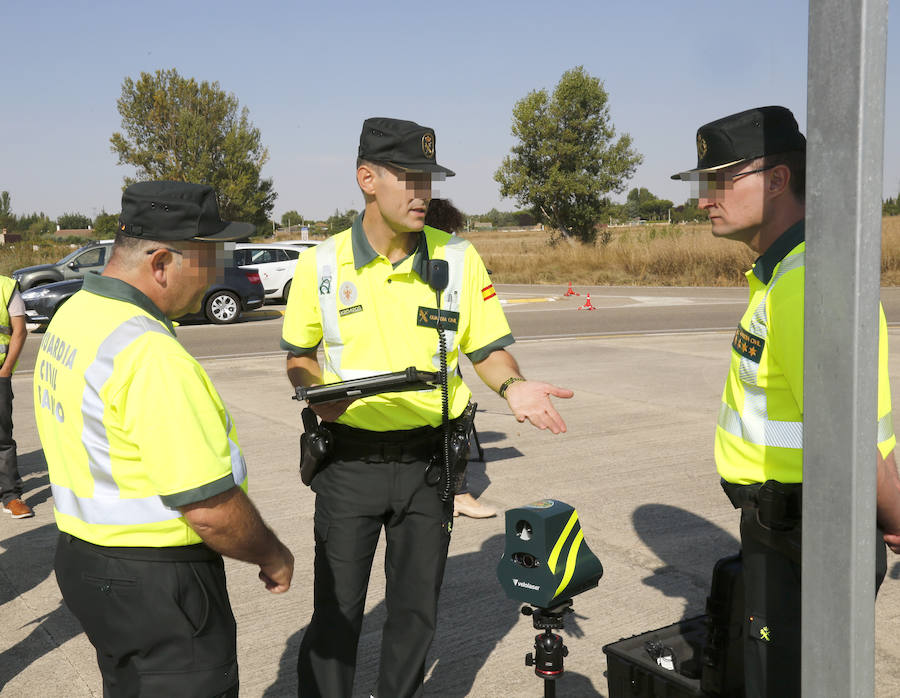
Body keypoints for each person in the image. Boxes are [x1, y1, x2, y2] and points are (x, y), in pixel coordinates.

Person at [282, 117, 573, 698]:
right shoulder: (322, 264)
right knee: (337, 614)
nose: (423, 193)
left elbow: (487, 349)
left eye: (430, 179)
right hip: (349, 465)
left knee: (416, 613)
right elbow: (299, 353)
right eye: (409, 178)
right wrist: (316, 393)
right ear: (367, 179)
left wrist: (510, 386)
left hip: (429, 467)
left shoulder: (459, 258)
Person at [671, 106, 900, 697]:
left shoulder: (804, 283)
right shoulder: (782, 275)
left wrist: (897, 517)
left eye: (720, 181)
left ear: (776, 180)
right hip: (786, 530)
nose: (704, 200)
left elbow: (848, 435)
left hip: (810, 533)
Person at [35, 181, 295, 697]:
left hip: (86, 561)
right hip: (159, 587)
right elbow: (209, 510)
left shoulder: (78, 315)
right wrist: (272, 555)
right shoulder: (147, 353)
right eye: (210, 260)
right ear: (160, 263)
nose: (217, 276)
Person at [424, 198, 495, 519]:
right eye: (448, 231)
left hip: (441, 359)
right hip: (431, 363)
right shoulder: (435, 258)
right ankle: (458, 494)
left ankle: (450, 492)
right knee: (456, 423)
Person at [0, 273, 29, 519]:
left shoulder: (6, 287)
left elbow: (19, 331)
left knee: (2, 438)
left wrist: (6, 370)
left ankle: (10, 495)